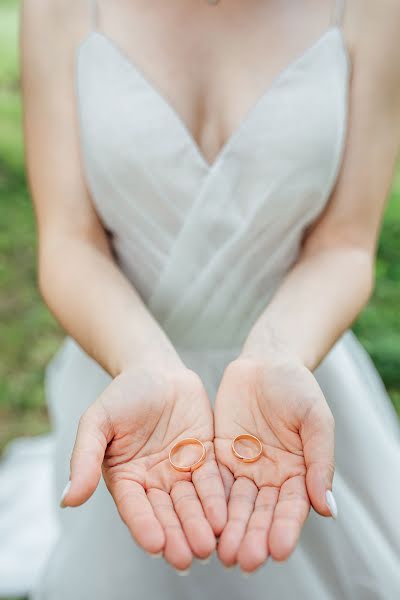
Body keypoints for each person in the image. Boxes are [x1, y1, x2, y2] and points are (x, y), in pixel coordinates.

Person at [17, 0, 400, 597]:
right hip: (128, 383)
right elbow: (70, 242)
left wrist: (278, 355)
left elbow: (346, 244)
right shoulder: (57, 9)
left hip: (298, 364)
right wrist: (144, 362)